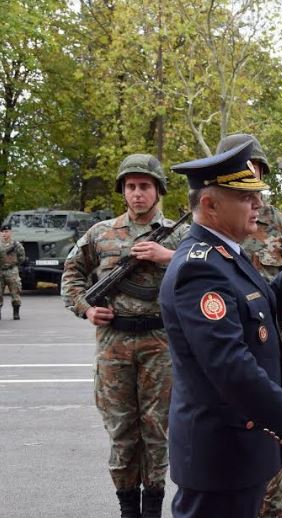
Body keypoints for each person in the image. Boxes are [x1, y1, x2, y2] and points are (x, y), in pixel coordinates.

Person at [160, 141, 282, 518]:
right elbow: (230, 366)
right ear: (209, 205)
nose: (258, 204)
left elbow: (263, 311)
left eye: (256, 194)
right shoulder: (200, 267)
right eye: (245, 196)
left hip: (242, 450)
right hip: (220, 457)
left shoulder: (225, 254)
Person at [61, 154, 189, 518]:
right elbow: (71, 274)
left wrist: (167, 256)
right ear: (123, 191)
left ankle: (153, 509)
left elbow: (207, 273)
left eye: (144, 186)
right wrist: (85, 307)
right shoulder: (100, 233)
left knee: (157, 431)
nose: (137, 194)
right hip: (113, 343)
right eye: (131, 187)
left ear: (158, 191)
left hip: (161, 343)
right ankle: (127, 509)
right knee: (121, 430)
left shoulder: (180, 237)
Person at [215, 133, 282, 518]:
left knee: (270, 460)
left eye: (254, 171)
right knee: (226, 471)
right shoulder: (203, 236)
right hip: (223, 361)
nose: (249, 182)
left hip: (268, 356)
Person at [0, 224, 25, 320]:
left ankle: (16, 312)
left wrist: (14, 264)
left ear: (10, 232)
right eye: (3, 232)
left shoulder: (16, 244)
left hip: (12, 270)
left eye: (6, 232)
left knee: (15, 291)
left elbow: (21, 257)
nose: (4, 234)